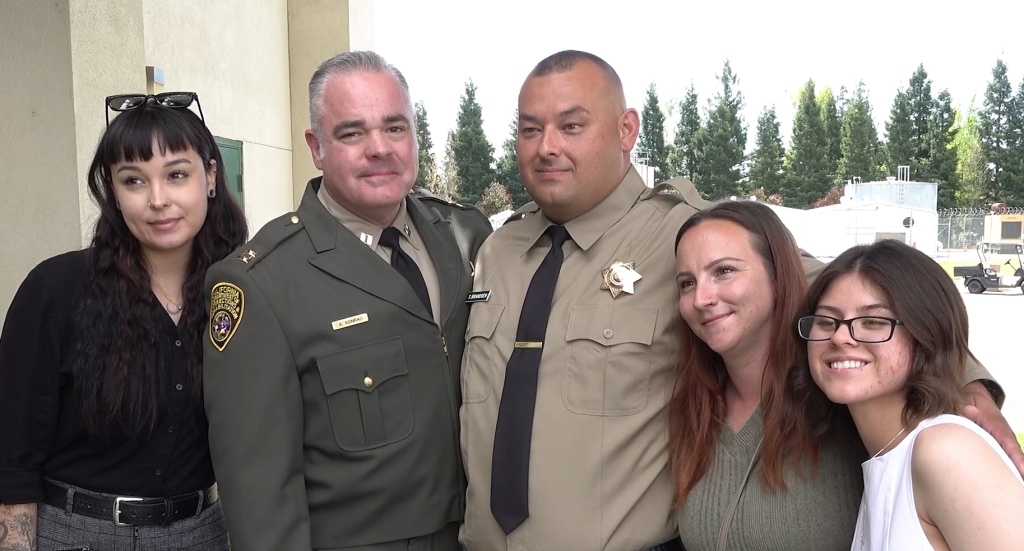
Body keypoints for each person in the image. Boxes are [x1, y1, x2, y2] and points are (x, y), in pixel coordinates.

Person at [458, 49, 1019, 551]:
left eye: (572, 125)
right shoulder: (495, 251)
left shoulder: (688, 233)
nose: (548, 146)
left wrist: (967, 387)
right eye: (529, 129)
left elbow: (856, 294)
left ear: (626, 130)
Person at [202, 51, 491, 551]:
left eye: (395, 128)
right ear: (316, 147)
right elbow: (260, 495)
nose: (380, 149)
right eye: (352, 133)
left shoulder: (466, 235)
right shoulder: (263, 281)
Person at [0, 92, 247, 551]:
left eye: (176, 174)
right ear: (114, 191)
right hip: (77, 535)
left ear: (210, 176)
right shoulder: (57, 289)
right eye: (133, 180)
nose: (158, 200)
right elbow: (13, 456)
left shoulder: (242, 291)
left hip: (203, 534)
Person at [795, 240, 1024, 550]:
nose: (840, 336)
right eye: (826, 321)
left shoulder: (945, 450)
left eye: (873, 321)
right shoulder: (888, 456)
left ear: (926, 335)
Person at [671, 201, 862, 550]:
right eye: (687, 283)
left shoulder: (838, 398)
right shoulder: (696, 410)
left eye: (724, 271)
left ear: (778, 276)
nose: (701, 298)